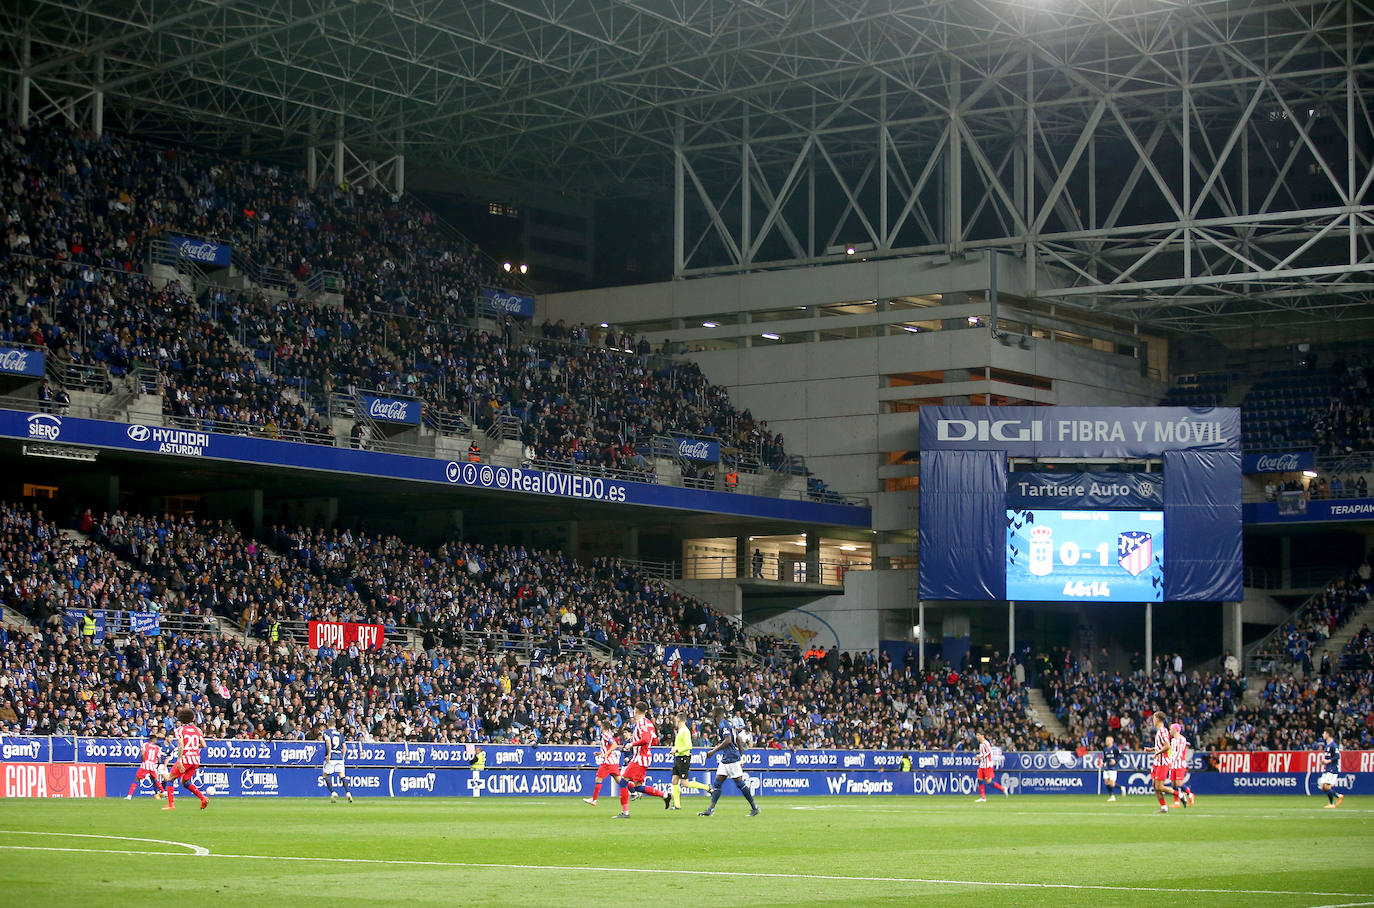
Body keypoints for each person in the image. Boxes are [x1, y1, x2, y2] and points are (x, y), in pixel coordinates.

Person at [612, 703, 670, 818]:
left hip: (640, 757)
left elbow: (646, 739)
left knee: (623, 781)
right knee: (637, 786)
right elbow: (653, 741)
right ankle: (665, 795)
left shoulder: (642, 722)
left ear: (636, 710)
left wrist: (632, 744)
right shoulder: (649, 723)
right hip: (645, 757)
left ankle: (625, 812)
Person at [698, 709, 760, 818]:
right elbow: (739, 739)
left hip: (731, 758)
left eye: (713, 717)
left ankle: (755, 807)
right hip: (727, 758)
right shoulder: (729, 725)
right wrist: (740, 755)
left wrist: (713, 751)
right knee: (717, 783)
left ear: (717, 716)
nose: (713, 720)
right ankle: (710, 809)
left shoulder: (723, 725)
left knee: (740, 783)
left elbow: (728, 740)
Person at [164, 706, 209, 811]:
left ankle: (171, 805)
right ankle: (203, 798)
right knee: (185, 782)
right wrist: (194, 748)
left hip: (186, 758)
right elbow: (203, 745)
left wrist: (179, 760)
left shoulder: (179, 730)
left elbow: (181, 746)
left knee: (170, 779)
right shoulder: (197, 730)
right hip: (196, 759)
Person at [668, 713, 711, 810]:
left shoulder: (684, 731)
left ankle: (707, 787)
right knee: (674, 780)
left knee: (685, 784)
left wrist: (677, 750)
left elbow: (689, 746)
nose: (675, 720)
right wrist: (675, 748)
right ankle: (677, 805)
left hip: (684, 758)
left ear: (679, 719)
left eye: (676, 719)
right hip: (679, 758)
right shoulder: (681, 730)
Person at [582, 720, 621, 807]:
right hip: (613, 762)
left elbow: (614, 745)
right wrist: (600, 753)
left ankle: (594, 800)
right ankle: (635, 790)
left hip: (608, 762)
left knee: (598, 779)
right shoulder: (606, 735)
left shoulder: (606, 735)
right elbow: (607, 747)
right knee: (620, 781)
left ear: (603, 727)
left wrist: (606, 754)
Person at [1150, 711, 1176, 813]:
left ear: (1157, 719)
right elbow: (1160, 746)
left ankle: (1180, 795)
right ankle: (1164, 807)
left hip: (1162, 762)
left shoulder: (1163, 731)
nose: (1153, 720)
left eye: (1153, 718)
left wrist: (1157, 753)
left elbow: (1167, 746)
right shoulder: (1159, 731)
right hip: (1157, 762)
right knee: (1154, 785)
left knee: (1159, 786)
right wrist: (1152, 750)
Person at [321, 719, 352, 804]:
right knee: (342, 775)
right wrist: (343, 757)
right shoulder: (340, 734)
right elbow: (345, 748)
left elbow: (328, 743)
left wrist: (328, 754)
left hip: (331, 756)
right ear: (335, 724)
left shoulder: (326, 732)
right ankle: (348, 793)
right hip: (339, 757)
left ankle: (333, 792)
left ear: (327, 724)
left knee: (326, 775)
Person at [126, 735, 164, 800]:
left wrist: (143, 762)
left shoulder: (145, 745)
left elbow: (143, 754)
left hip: (145, 764)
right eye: (156, 739)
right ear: (153, 739)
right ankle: (164, 792)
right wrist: (156, 766)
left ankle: (129, 796)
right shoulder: (157, 748)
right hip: (152, 765)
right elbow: (159, 760)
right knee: (155, 779)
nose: (156, 741)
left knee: (137, 779)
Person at [974, 732, 1007, 802]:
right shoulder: (981, 744)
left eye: (978, 735)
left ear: (982, 736)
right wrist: (979, 757)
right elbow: (983, 754)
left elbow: (989, 752)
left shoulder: (986, 743)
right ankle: (983, 797)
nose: (977, 737)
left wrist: (980, 756)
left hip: (987, 765)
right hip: (982, 765)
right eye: (976, 735)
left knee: (988, 782)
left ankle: (1003, 789)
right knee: (979, 779)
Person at [1168, 723, 1194, 808]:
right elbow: (1171, 752)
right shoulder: (1172, 740)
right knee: (1174, 783)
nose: (1170, 731)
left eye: (1171, 729)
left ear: (1175, 729)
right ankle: (1177, 802)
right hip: (1173, 764)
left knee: (1179, 783)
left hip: (1179, 764)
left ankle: (1190, 794)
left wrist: (1172, 760)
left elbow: (1179, 752)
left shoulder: (1182, 739)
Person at [1318, 730, 1344, 809]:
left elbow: (1337, 756)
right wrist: (1324, 762)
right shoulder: (1327, 745)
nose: (1323, 734)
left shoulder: (1333, 745)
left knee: (1327, 786)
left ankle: (1332, 803)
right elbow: (1328, 758)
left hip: (1332, 769)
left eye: (1324, 733)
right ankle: (1338, 796)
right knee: (1323, 786)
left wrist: (1328, 761)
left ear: (1328, 734)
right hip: (1328, 768)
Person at [1101, 735, 1122, 802]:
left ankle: (1121, 788)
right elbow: (1105, 758)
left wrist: (1115, 760)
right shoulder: (1105, 749)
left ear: (1112, 741)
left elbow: (1121, 755)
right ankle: (1112, 796)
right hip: (1107, 767)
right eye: (1106, 740)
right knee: (1106, 782)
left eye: (1108, 740)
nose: (1106, 741)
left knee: (1112, 784)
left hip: (1113, 768)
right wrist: (1102, 762)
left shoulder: (1115, 748)